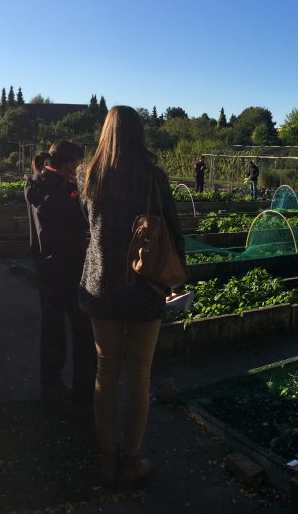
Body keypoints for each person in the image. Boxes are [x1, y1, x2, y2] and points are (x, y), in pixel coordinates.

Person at [79, 106, 184, 486]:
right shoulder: (154, 178)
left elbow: (87, 228)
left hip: (101, 285)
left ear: (106, 132)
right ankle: (131, 461)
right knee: (139, 374)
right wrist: (176, 279)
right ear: (140, 134)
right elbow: (173, 231)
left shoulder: (89, 175)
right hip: (145, 288)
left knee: (106, 372)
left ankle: (106, 461)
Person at [25, 141, 93, 413]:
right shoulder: (56, 195)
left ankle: (51, 384)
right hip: (66, 270)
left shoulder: (37, 184)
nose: (77, 171)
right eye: (75, 166)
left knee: (52, 331)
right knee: (82, 332)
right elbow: (82, 221)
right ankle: (82, 394)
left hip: (45, 269)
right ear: (66, 165)